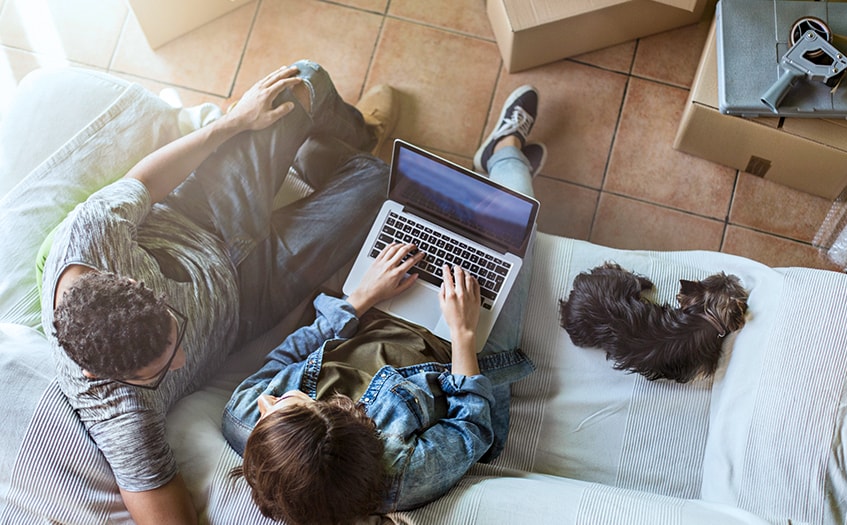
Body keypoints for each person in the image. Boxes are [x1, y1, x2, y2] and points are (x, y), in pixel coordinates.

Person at [39, 61, 397, 524]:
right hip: (250, 294)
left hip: (203, 213)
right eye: (163, 369)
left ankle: (354, 133)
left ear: (129, 282)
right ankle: (330, 157)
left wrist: (233, 123)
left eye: (173, 331)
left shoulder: (89, 236)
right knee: (382, 183)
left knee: (302, 83)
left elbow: (144, 184)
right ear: (94, 374)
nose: (184, 359)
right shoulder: (117, 412)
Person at [222, 86, 545, 525]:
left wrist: (359, 299)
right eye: (293, 403)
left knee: (389, 199)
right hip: (458, 349)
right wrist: (464, 335)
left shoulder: (248, 421)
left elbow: (287, 356)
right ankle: (504, 151)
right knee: (519, 223)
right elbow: (472, 427)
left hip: (373, 308)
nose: (270, 400)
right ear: (347, 422)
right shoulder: (401, 477)